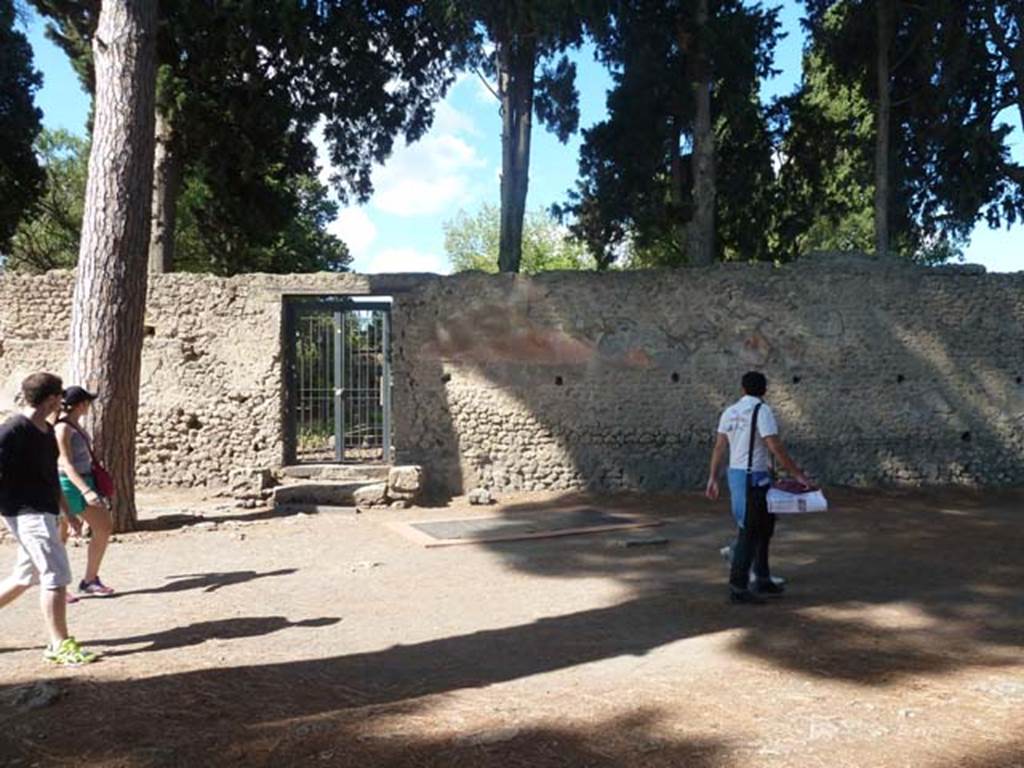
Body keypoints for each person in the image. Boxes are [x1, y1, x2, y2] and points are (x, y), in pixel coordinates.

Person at [0, 373, 96, 665]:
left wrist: (68, 513)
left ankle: (58, 642)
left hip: (45, 511)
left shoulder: (46, 432)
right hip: (25, 512)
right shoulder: (13, 429)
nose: (62, 402)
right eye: (60, 396)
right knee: (55, 572)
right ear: (52, 398)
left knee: (24, 577)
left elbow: (51, 477)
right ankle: (59, 644)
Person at [705, 371, 810, 605]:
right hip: (754, 478)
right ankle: (738, 587)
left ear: (742, 388)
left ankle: (762, 577)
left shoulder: (730, 412)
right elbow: (774, 446)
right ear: (765, 390)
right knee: (750, 533)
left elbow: (720, 447)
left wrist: (713, 477)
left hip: (739, 476)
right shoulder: (762, 411)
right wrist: (797, 474)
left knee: (763, 529)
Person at [56, 386, 115, 597]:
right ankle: (63, 586)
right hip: (69, 484)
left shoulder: (74, 425)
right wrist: (86, 491)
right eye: (88, 402)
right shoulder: (63, 428)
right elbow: (66, 463)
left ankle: (82, 582)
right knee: (65, 536)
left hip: (82, 480)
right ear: (81, 404)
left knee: (99, 527)